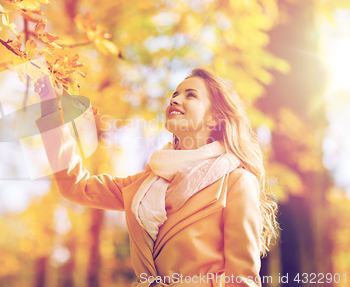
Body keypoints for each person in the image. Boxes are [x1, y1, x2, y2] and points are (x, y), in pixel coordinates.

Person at [33, 68, 279, 287]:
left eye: (190, 95)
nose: (175, 99)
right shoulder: (146, 184)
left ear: (214, 118)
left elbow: (243, 281)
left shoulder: (236, 182)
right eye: (175, 94)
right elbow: (77, 187)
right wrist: (49, 110)